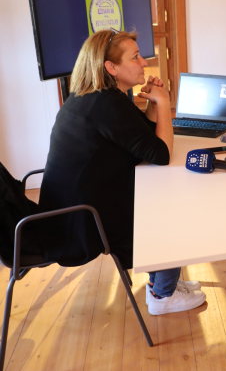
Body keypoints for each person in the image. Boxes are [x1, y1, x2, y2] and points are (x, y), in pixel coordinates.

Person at [36, 29, 206, 316]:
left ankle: (162, 284)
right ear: (111, 68)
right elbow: (161, 154)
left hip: (73, 209)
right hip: (81, 221)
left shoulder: (96, 97)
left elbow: (143, 142)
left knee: (157, 193)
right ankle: (162, 295)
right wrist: (165, 103)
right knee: (169, 205)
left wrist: (152, 104)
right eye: (136, 57)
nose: (144, 63)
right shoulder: (106, 104)